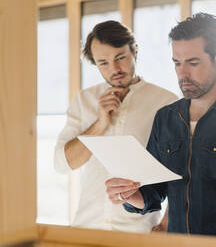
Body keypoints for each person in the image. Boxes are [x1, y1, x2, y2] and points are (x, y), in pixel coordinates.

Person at [105, 13, 216, 239]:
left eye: (193, 63)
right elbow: (154, 193)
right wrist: (128, 193)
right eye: (177, 63)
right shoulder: (166, 117)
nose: (182, 73)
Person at [53, 20, 177, 233]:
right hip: (87, 228)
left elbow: (181, 172)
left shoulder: (167, 102)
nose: (115, 69)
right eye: (103, 63)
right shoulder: (84, 100)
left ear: (134, 52)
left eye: (121, 58)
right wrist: (100, 123)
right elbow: (62, 164)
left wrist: (167, 222)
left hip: (140, 232)